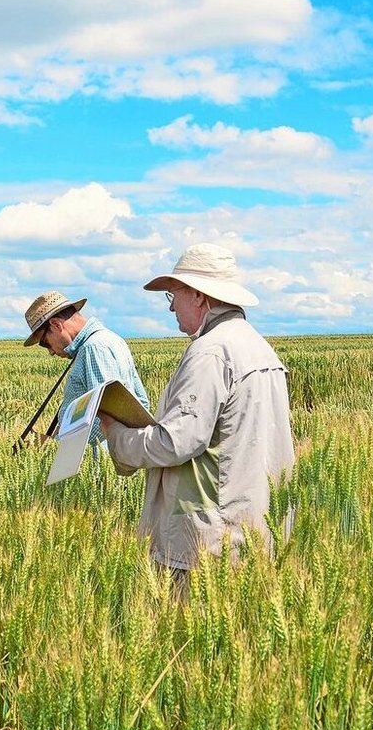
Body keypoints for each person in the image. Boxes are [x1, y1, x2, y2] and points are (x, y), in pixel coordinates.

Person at [99, 243, 295, 586]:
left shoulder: (210, 352)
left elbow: (177, 442)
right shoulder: (259, 348)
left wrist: (117, 436)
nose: (171, 306)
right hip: (256, 528)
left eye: (174, 294)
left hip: (208, 539)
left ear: (199, 296)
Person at [22, 290, 149, 445]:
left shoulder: (94, 348)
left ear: (56, 325)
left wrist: (56, 446)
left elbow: (110, 419)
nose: (50, 352)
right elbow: (141, 403)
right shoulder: (112, 340)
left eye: (45, 343)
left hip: (96, 464)